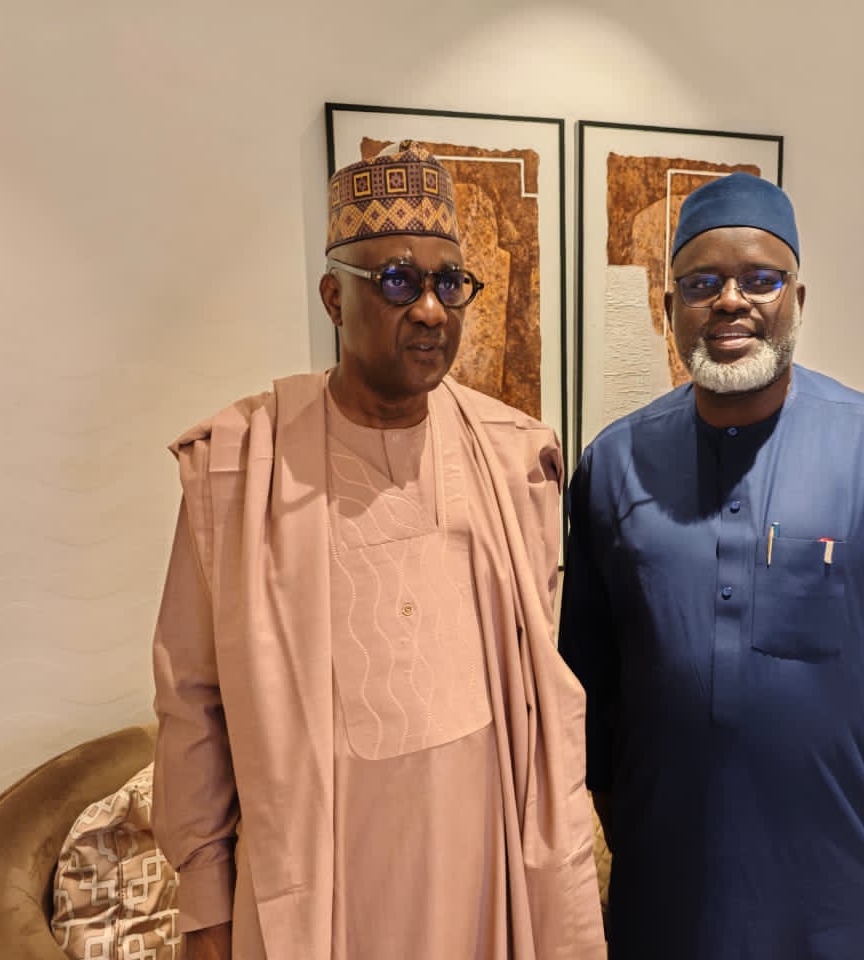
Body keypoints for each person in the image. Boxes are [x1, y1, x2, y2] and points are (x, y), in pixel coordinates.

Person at [152, 141, 605, 960]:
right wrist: (206, 902)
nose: (430, 310)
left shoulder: (515, 458)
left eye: (448, 283)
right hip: (326, 877)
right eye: (398, 281)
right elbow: (192, 699)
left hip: (483, 865)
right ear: (335, 297)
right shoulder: (239, 467)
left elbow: (538, 686)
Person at [558, 172, 864, 958]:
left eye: (760, 279)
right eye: (702, 283)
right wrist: (601, 793)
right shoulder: (614, 466)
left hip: (843, 863)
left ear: (797, 299)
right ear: (669, 308)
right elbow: (586, 667)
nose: (730, 301)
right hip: (669, 862)